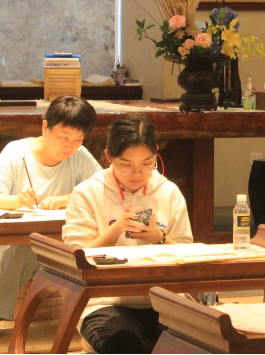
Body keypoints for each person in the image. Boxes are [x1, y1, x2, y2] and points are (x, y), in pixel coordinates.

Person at [0, 96, 101, 338]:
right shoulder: (17, 152)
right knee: (25, 248)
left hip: (56, 244)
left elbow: (102, 190)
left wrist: (67, 198)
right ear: (45, 127)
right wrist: (16, 201)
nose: (71, 146)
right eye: (64, 137)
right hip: (5, 246)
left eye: (79, 139)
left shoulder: (80, 156)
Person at [63, 115, 192, 354]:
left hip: (164, 300)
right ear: (108, 157)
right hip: (104, 301)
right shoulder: (87, 193)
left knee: (194, 345)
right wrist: (116, 229)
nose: (137, 173)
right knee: (124, 346)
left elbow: (188, 255)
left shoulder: (168, 192)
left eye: (147, 163)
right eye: (125, 164)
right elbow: (76, 258)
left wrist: (160, 238)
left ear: (156, 155)